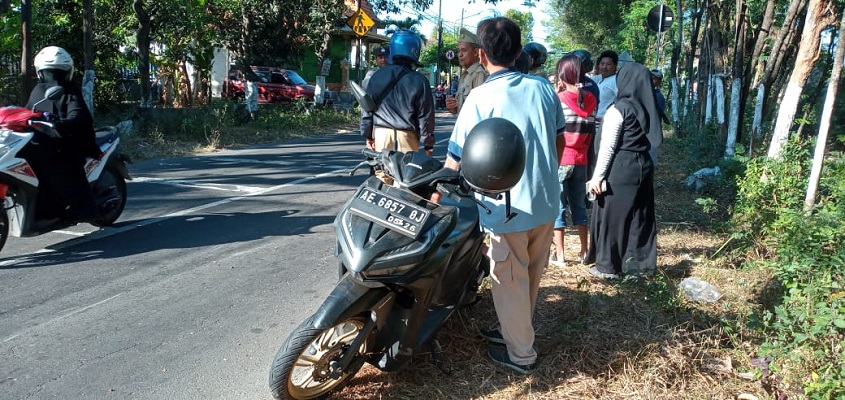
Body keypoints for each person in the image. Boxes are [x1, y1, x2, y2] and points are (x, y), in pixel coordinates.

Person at [443, 17, 566, 374]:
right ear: (519, 51)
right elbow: (559, 140)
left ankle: (521, 355)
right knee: (528, 277)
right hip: (545, 201)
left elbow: (455, 159)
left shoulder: (480, 97)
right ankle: (515, 330)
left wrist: (436, 196)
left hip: (506, 207)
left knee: (509, 280)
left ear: (482, 55)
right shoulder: (543, 88)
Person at [585, 63, 660, 280]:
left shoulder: (618, 109)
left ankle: (608, 267)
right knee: (640, 217)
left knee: (613, 218)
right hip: (643, 166)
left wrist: (597, 177)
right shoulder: (647, 107)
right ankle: (638, 267)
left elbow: (608, 147)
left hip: (621, 167)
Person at [24, 46, 100, 223]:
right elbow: (27, 112)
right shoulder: (38, 91)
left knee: (63, 169)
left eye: (56, 72)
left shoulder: (70, 91)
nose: (53, 76)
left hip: (69, 143)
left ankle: (81, 210)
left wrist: (60, 123)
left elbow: (78, 116)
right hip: (42, 142)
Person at [550, 54, 597, 267]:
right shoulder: (591, 99)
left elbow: (554, 131)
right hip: (581, 160)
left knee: (558, 206)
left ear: (563, 75)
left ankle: (560, 255)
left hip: (561, 159)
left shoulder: (558, 99)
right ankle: (584, 251)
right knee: (579, 206)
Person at [360, 30, 435, 156]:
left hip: (381, 135)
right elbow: (425, 116)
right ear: (415, 50)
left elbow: (367, 108)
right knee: (407, 169)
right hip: (407, 138)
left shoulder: (376, 76)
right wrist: (428, 145)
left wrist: (368, 135)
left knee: (381, 169)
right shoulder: (420, 80)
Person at [446, 28, 487, 115]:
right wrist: (453, 108)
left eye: (464, 50)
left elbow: (480, 110)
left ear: (475, 52)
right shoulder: (465, 75)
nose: (460, 55)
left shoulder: (479, 73)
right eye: (458, 51)